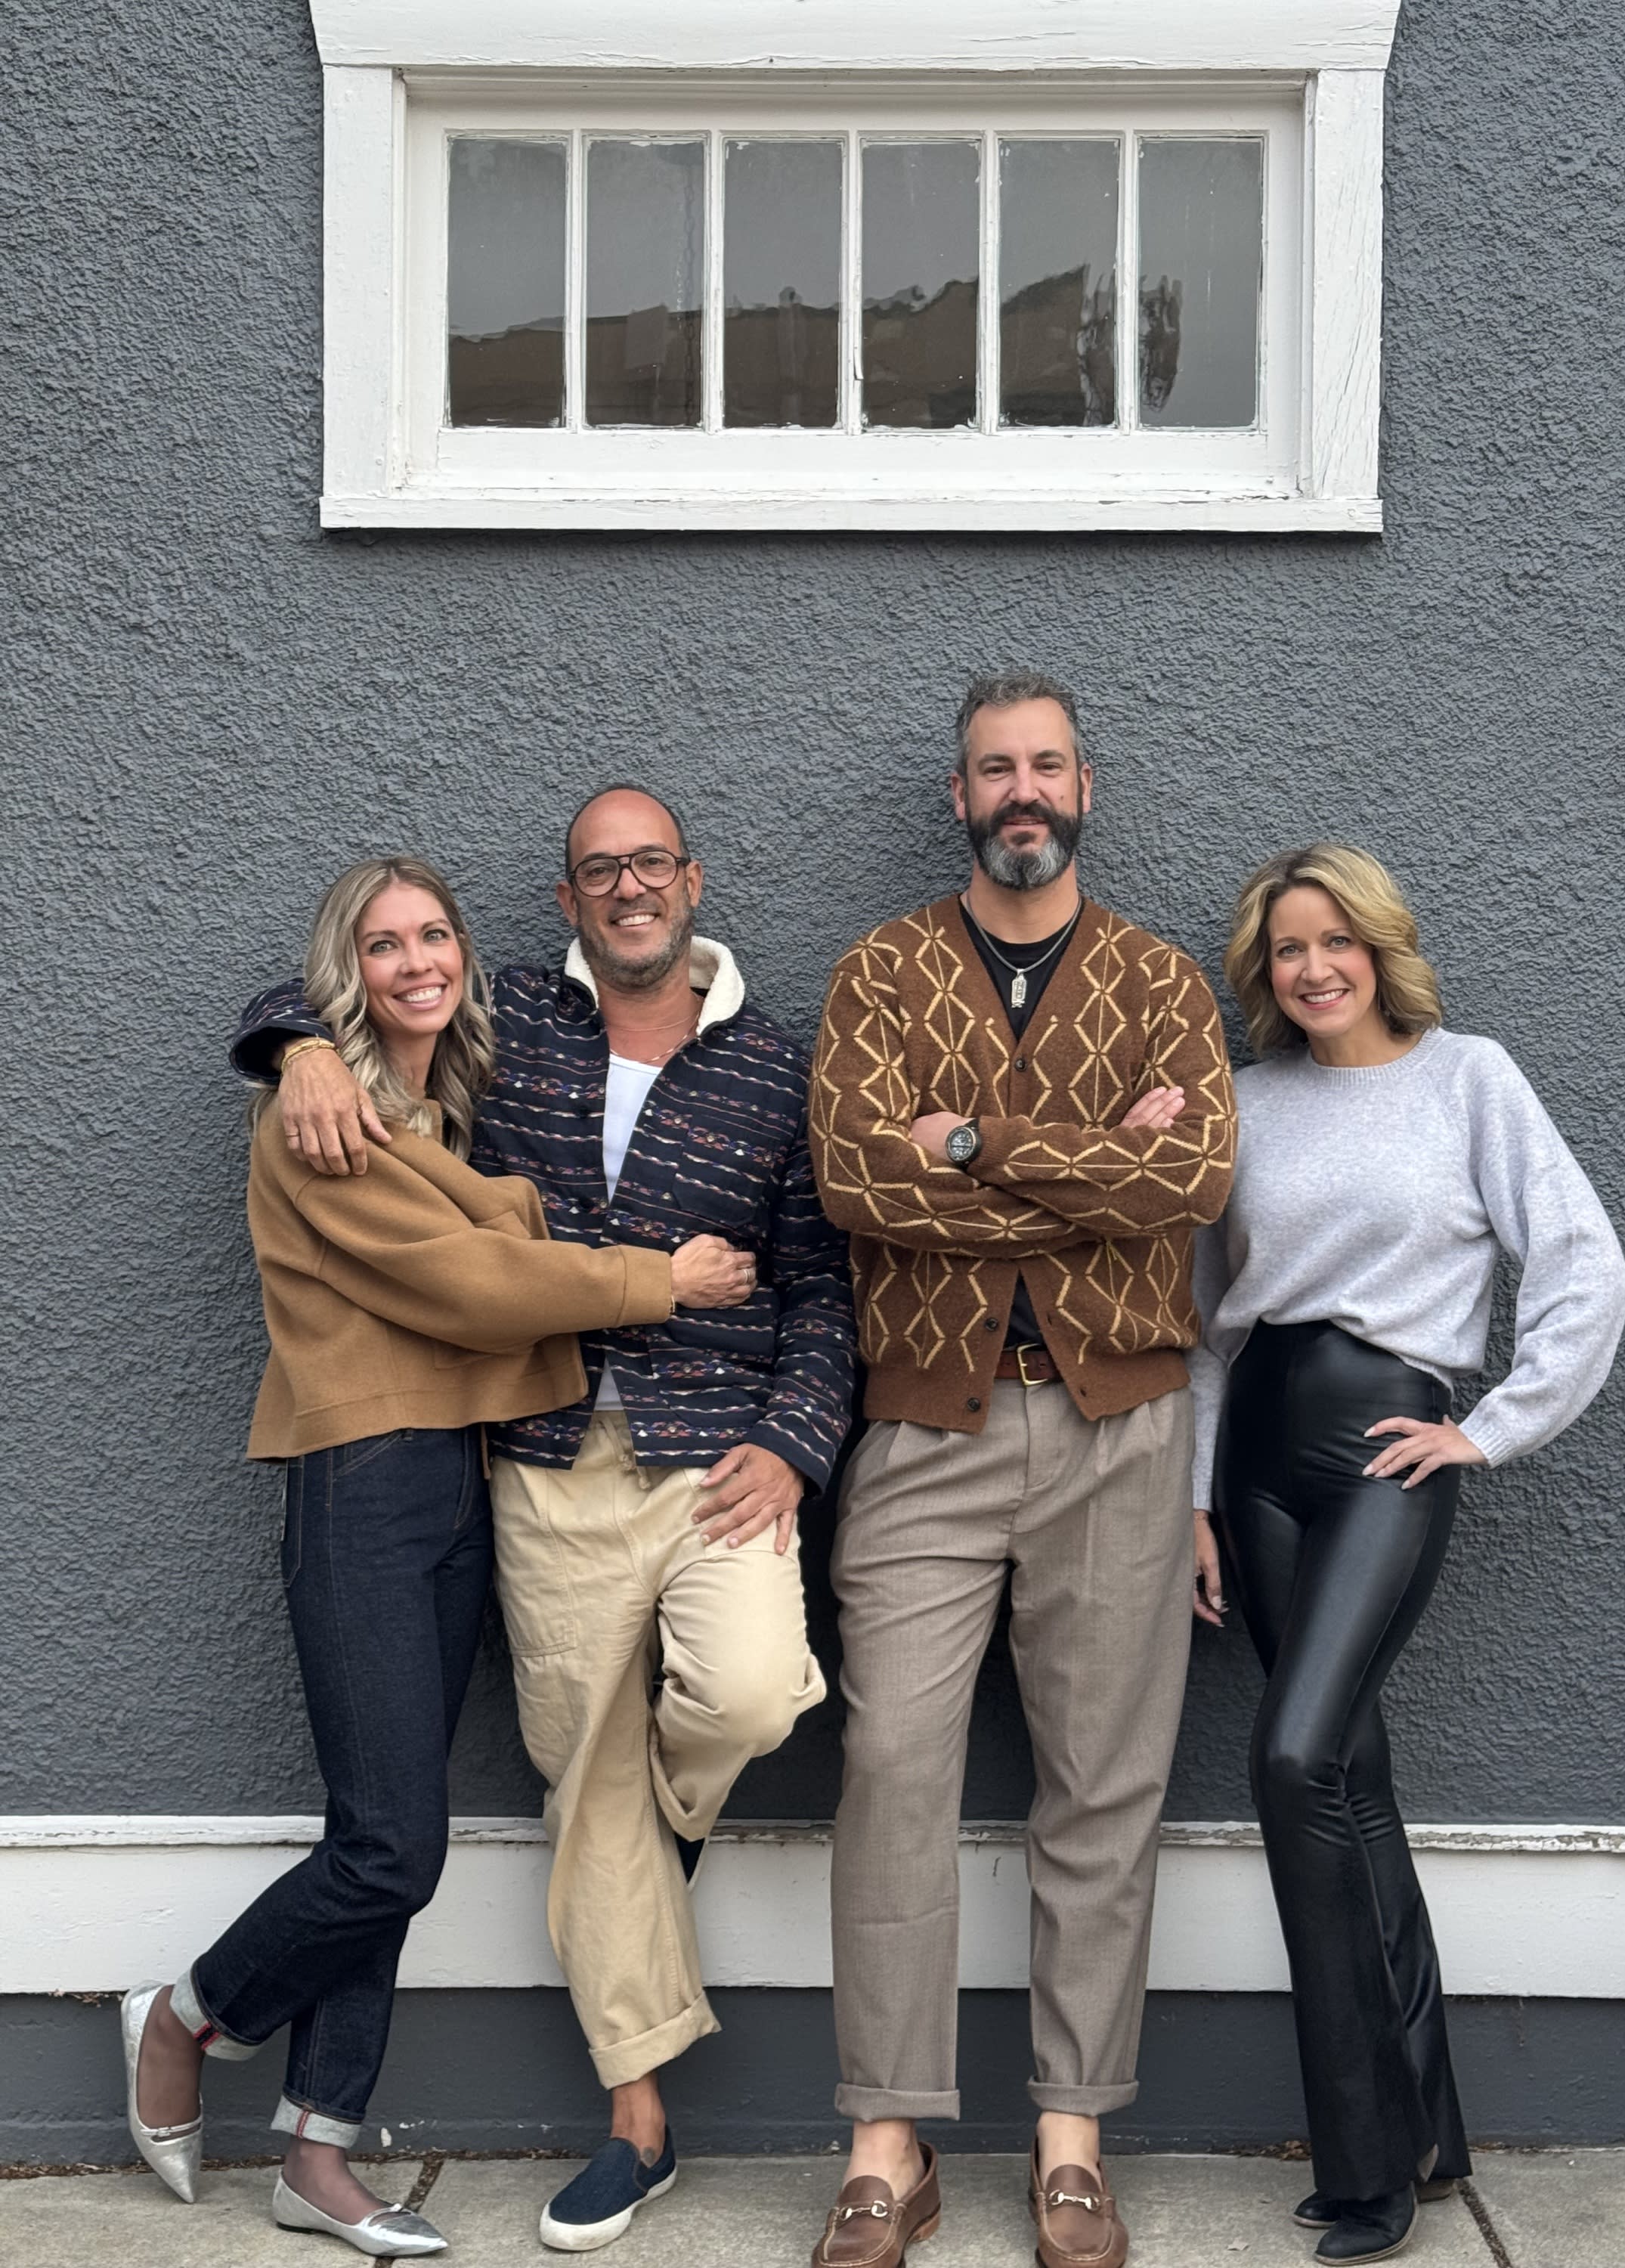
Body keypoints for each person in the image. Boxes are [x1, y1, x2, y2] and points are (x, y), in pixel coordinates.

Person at [232, 791, 855, 2252]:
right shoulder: (506, 1017)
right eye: (599, 870)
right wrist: (297, 1049)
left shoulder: (780, 1065)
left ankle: (629, 1820)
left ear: (691, 881)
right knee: (585, 1781)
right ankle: (639, 2126)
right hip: (543, 1460)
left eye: (651, 864)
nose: (629, 888)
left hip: (716, 1456)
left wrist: (794, 1445)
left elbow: (825, 1289)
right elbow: (329, 992)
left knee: (747, 1697)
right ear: (568, 900)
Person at [124, 857, 752, 2257]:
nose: (417, 963)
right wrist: (659, 1280)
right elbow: (474, 1284)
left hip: (462, 1476)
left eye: (434, 936)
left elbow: (486, 1237)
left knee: (389, 1837)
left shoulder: (436, 1103)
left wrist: (305, 1049)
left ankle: (317, 2152)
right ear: (341, 972)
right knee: (389, 1849)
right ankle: (188, 2014)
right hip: (361, 1482)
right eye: (382, 945)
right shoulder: (323, 1117)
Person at [806, 673, 1237, 2268]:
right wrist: (1091, 1162)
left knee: (1103, 1785)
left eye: (1046, 764)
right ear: (960, 796)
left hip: (1121, 1426)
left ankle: (1071, 2142)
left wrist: (973, 1142)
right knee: (891, 1769)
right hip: (930, 1423)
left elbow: (1191, 1178)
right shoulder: (882, 970)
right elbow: (857, 1179)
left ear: (1085, 788)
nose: (1022, 791)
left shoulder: (1158, 977)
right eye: (995, 768)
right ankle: (887, 2142)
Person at [1189, 843, 1625, 2266]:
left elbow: (1583, 1261)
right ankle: (1427, 2132)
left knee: (1292, 1758)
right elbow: (1205, 1323)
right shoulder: (1245, 1103)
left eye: (1336, 942)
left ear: (1380, 949)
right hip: (1255, 1458)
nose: (1313, 968)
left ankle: (1363, 2164)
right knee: (1352, 1787)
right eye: (1286, 950)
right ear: (1263, 974)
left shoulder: (1468, 1080)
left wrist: (1489, 1431)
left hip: (1382, 1450)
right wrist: (1194, 1496)